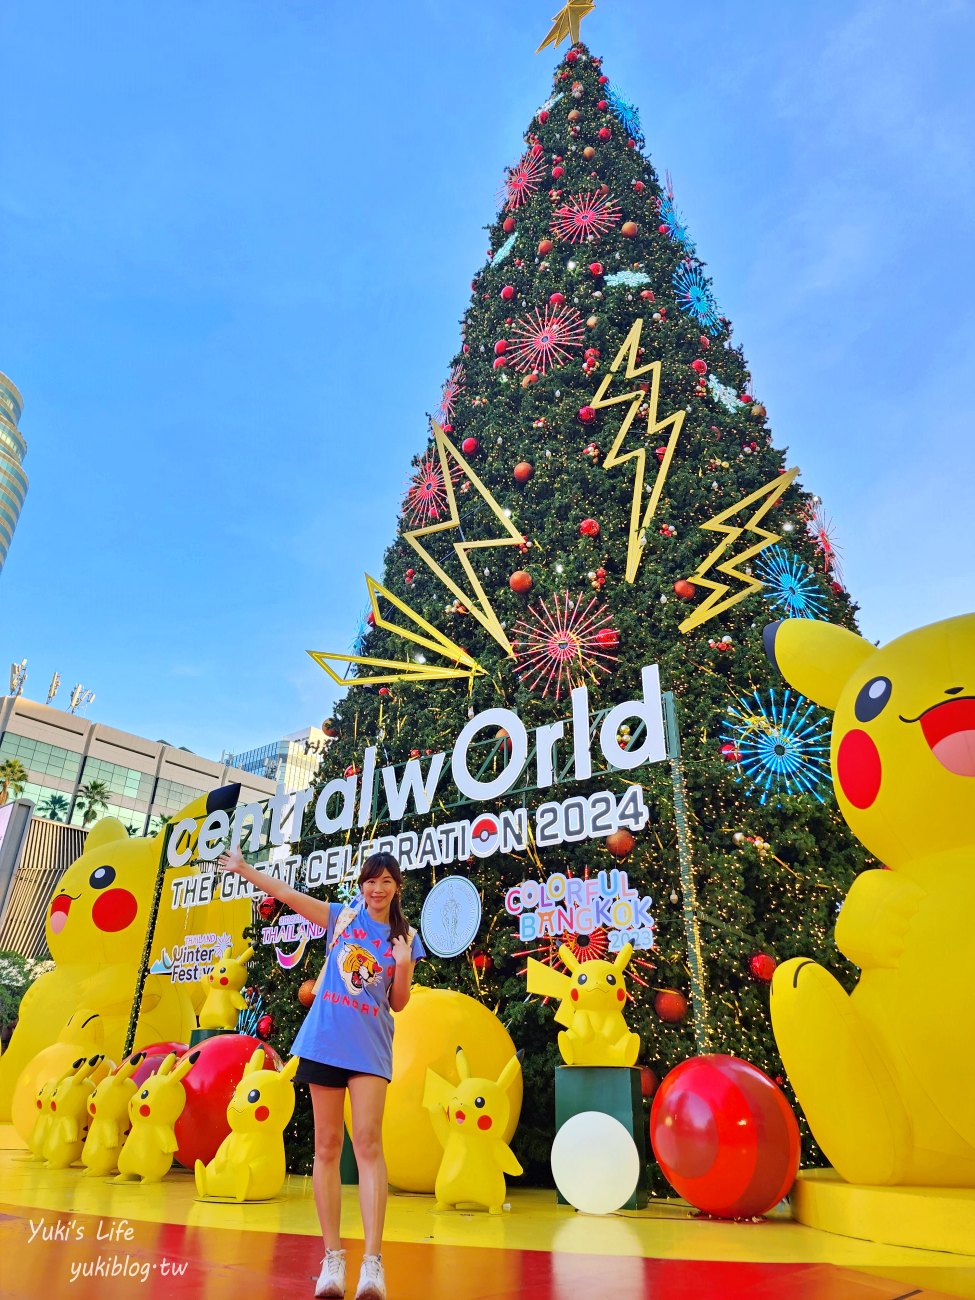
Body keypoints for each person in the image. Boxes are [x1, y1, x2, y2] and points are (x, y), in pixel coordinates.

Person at [218, 848, 424, 1300]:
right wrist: (244, 869)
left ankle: (373, 1265)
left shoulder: (404, 937)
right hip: (326, 1041)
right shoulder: (342, 916)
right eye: (372, 880)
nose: (377, 888)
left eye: (386, 880)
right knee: (326, 1146)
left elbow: (398, 1003)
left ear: (397, 887)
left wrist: (404, 965)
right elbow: (287, 895)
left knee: (368, 1144)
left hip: (369, 1050)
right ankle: (332, 1260)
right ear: (364, 884)